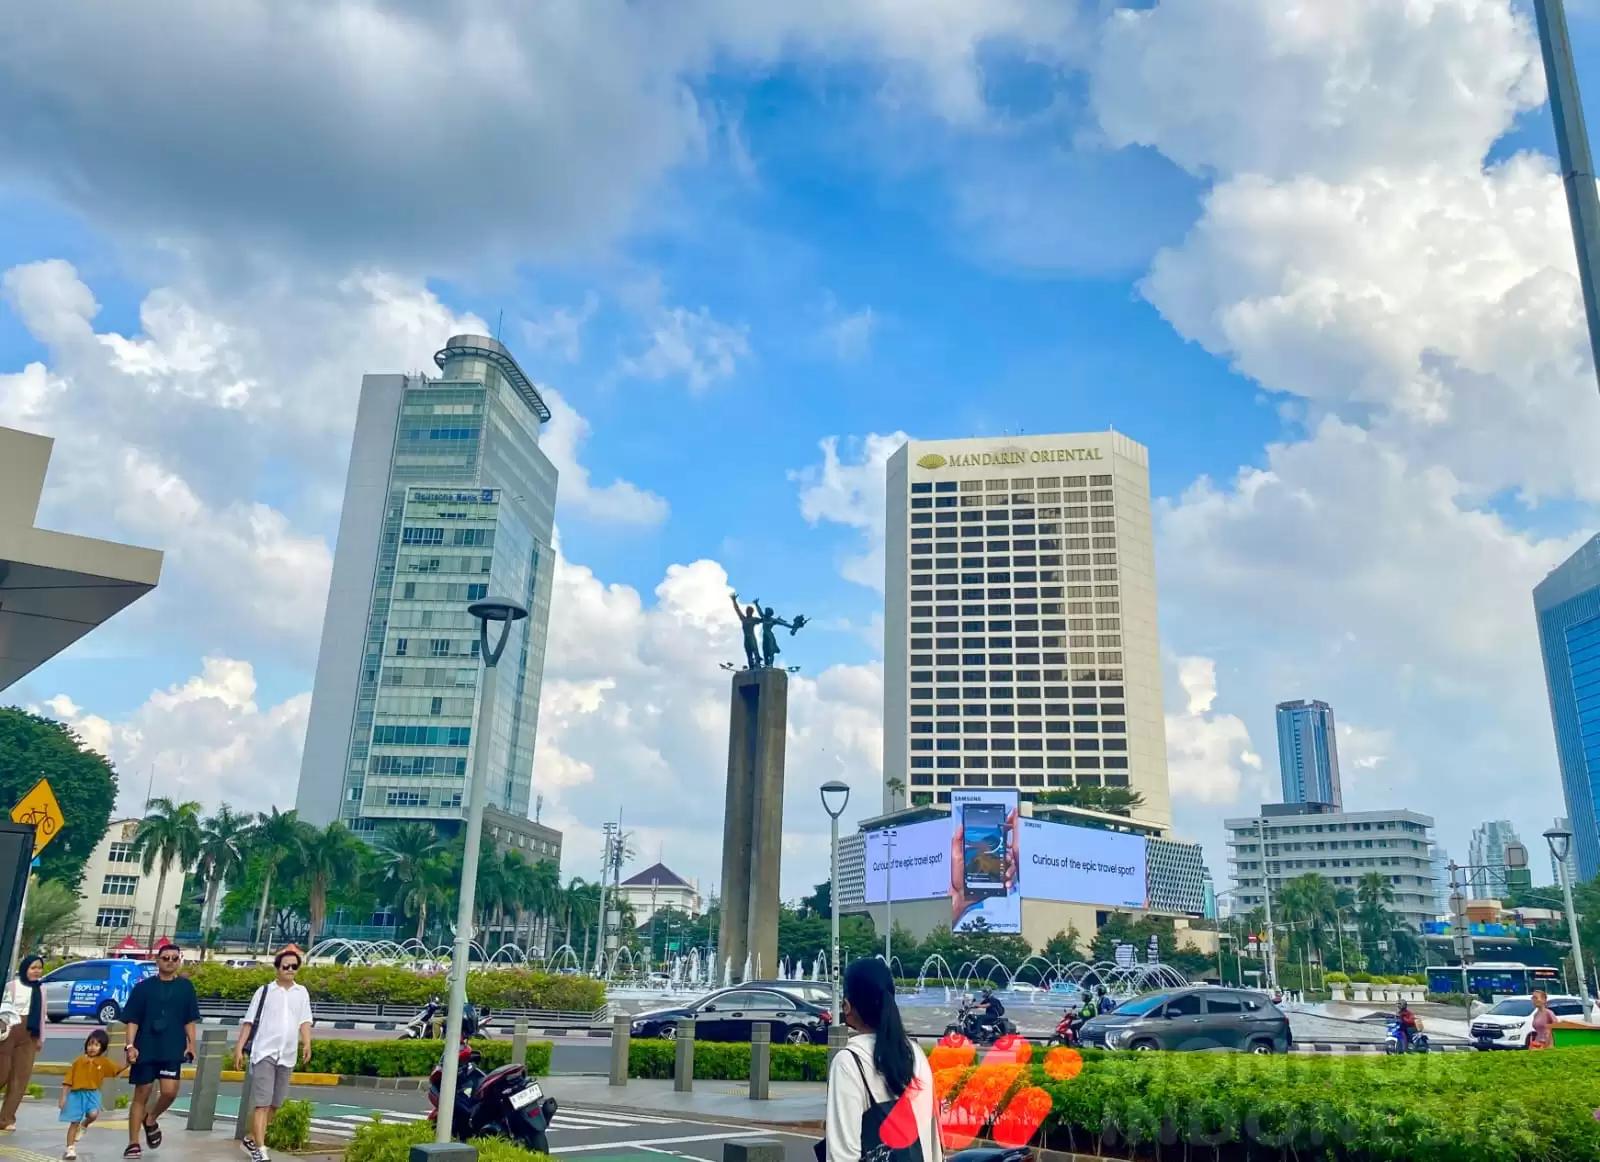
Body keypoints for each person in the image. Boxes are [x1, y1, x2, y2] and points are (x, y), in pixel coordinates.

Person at [825, 959, 941, 1162]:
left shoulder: (849, 1062)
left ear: (847, 1006)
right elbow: (933, 1140)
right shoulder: (915, 1053)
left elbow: (842, 1155)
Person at [234, 948, 314, 1162]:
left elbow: (305, 1020)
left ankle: (251, 1139)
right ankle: (260, 1150)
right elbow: (249, 1021)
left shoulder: (301, 992)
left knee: (275, 1104)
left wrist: (307, 1043)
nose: (290, 970)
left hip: (287, 1054)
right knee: (262, 1103)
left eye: (294, 966)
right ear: (277, 968)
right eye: (286, 966)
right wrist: (239, 1048)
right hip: (264, 1052)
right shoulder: (265, 992)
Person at [122, 943, 200, 1159]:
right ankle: (133, 1143)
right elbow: (132, 1020)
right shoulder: (143, 988)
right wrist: (130, 1046)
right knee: (142, 1093)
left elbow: (190, 1019)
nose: (170, 962)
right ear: (157, 960)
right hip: (145, 1047)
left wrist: (191, 1044)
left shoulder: (186, 987)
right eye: (166, 958)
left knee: (169, 1091)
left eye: (175, 958)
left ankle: (150, 1119)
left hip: (172, 1047)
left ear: (179, 961)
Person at [59, 1029, 124, 1160]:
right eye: (90, 1044)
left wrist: (129, 1061)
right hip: (76, 1095)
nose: (92, 1047)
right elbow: (68, 1080)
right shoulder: (78, 1061)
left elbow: (116, 1069)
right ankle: (70, 1148)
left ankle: (85, 1124)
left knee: (93, 1114)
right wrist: (64, 1097)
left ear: (102, 1047)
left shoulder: (103, 1062)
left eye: (96, 1045)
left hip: (93, 1094)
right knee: (74, 1122)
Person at [0, 955, 45, 1130]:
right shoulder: (12, 986)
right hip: (9, 1029)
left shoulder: (41, 989)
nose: (36, 971)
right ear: (25, 968)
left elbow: (42, 1014)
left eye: (39, 968)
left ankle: (6, 1119)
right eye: (33, 968)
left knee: (21, 1076)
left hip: (30, 1033)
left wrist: (40, 1038)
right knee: (3, 1072)